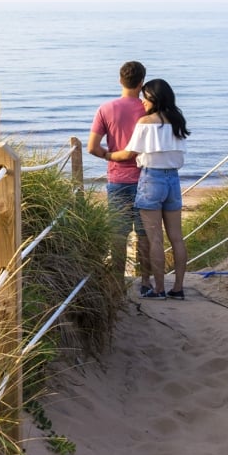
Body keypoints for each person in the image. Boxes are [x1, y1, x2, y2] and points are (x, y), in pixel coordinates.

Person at [107, 78, 190, 300]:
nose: (142, 102)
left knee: (154, 239)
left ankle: (159, 289)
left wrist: (105, 154)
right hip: (173, 180)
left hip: (151, 179)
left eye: (145, 97)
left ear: (153, 98)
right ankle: (178, 288)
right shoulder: (178, 121)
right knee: (177, 238)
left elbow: (128, 153)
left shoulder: (145, 123)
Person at [87, 61, 152, 294]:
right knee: (145, 234)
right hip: (146, 179)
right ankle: (145, 283)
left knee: (118, 233)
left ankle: (117, 284)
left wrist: (109, 156)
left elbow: (92, 148)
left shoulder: (105, 109)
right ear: (142, 82)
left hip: (117, 180)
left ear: (119, 80)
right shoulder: (149, 109)